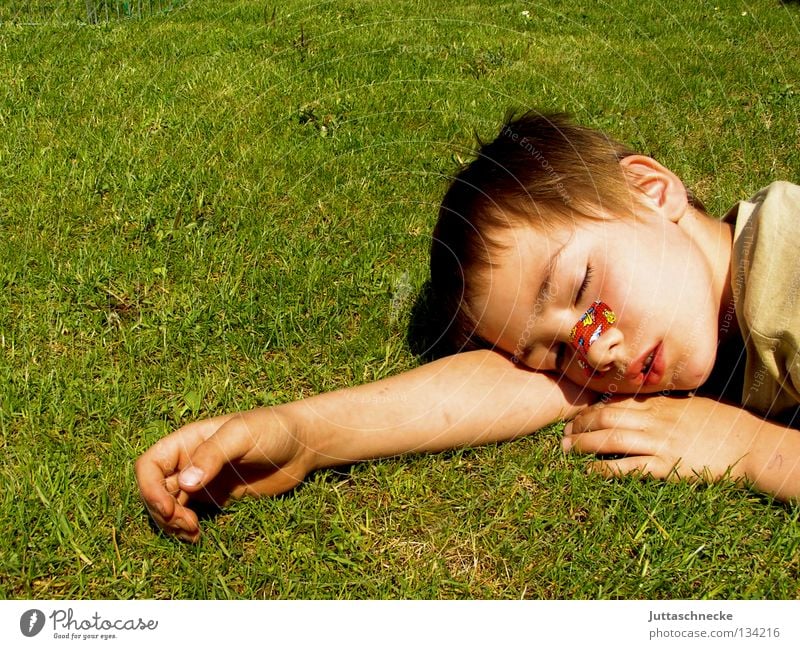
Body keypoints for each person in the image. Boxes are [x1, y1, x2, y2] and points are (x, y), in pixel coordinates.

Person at [136, 111, 800, 542]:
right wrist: (304, 434)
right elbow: (504, 386)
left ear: (652, 191)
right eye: (557, 350)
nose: (596, 348)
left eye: (582, 291)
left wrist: (746, 447)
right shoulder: (668, 311)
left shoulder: (785, 269)